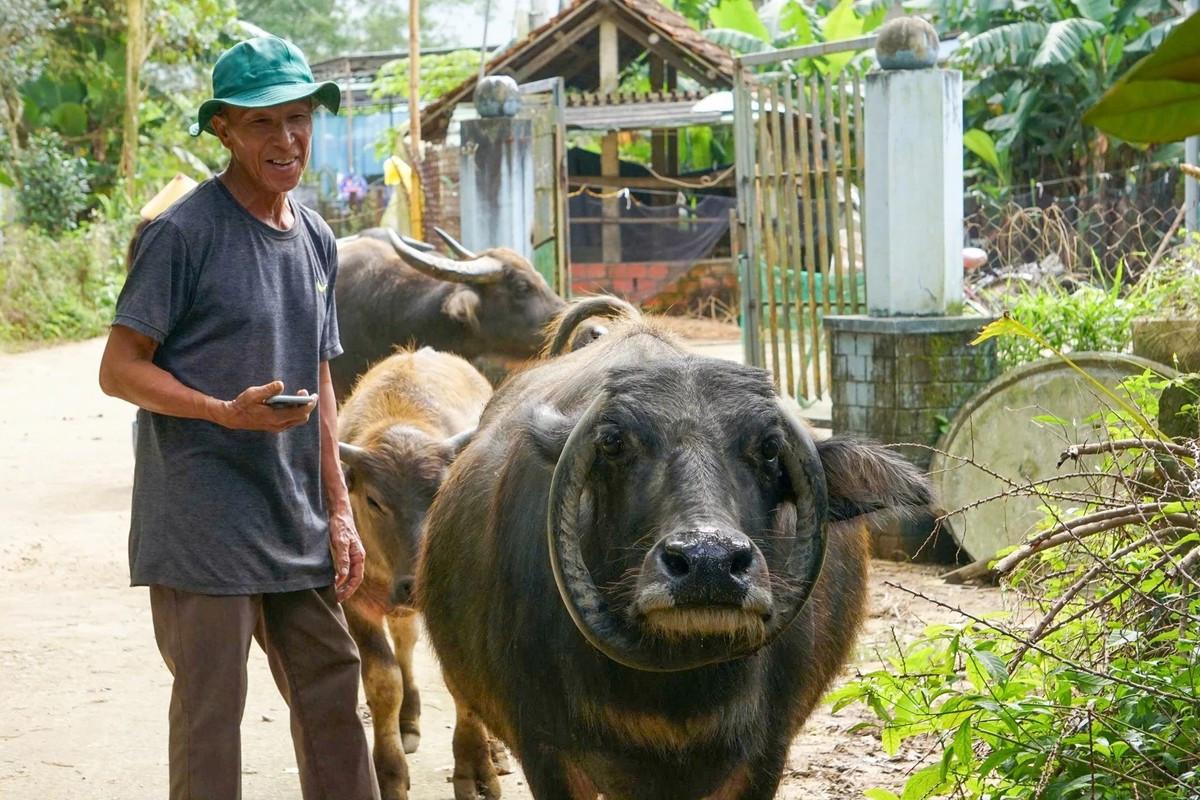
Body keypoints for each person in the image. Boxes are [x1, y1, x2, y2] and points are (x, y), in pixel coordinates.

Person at [98, 36, 379, 800]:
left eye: (298, 119)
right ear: (223, 129)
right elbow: (119, 369)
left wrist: (340, 510)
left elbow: (320, 370)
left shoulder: (318, 236)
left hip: (292, 516)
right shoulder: (182, 234)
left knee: (333, 698)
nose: (285, 140)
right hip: (202, 522)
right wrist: (223, 412)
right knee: (210, 717)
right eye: (262, 124)